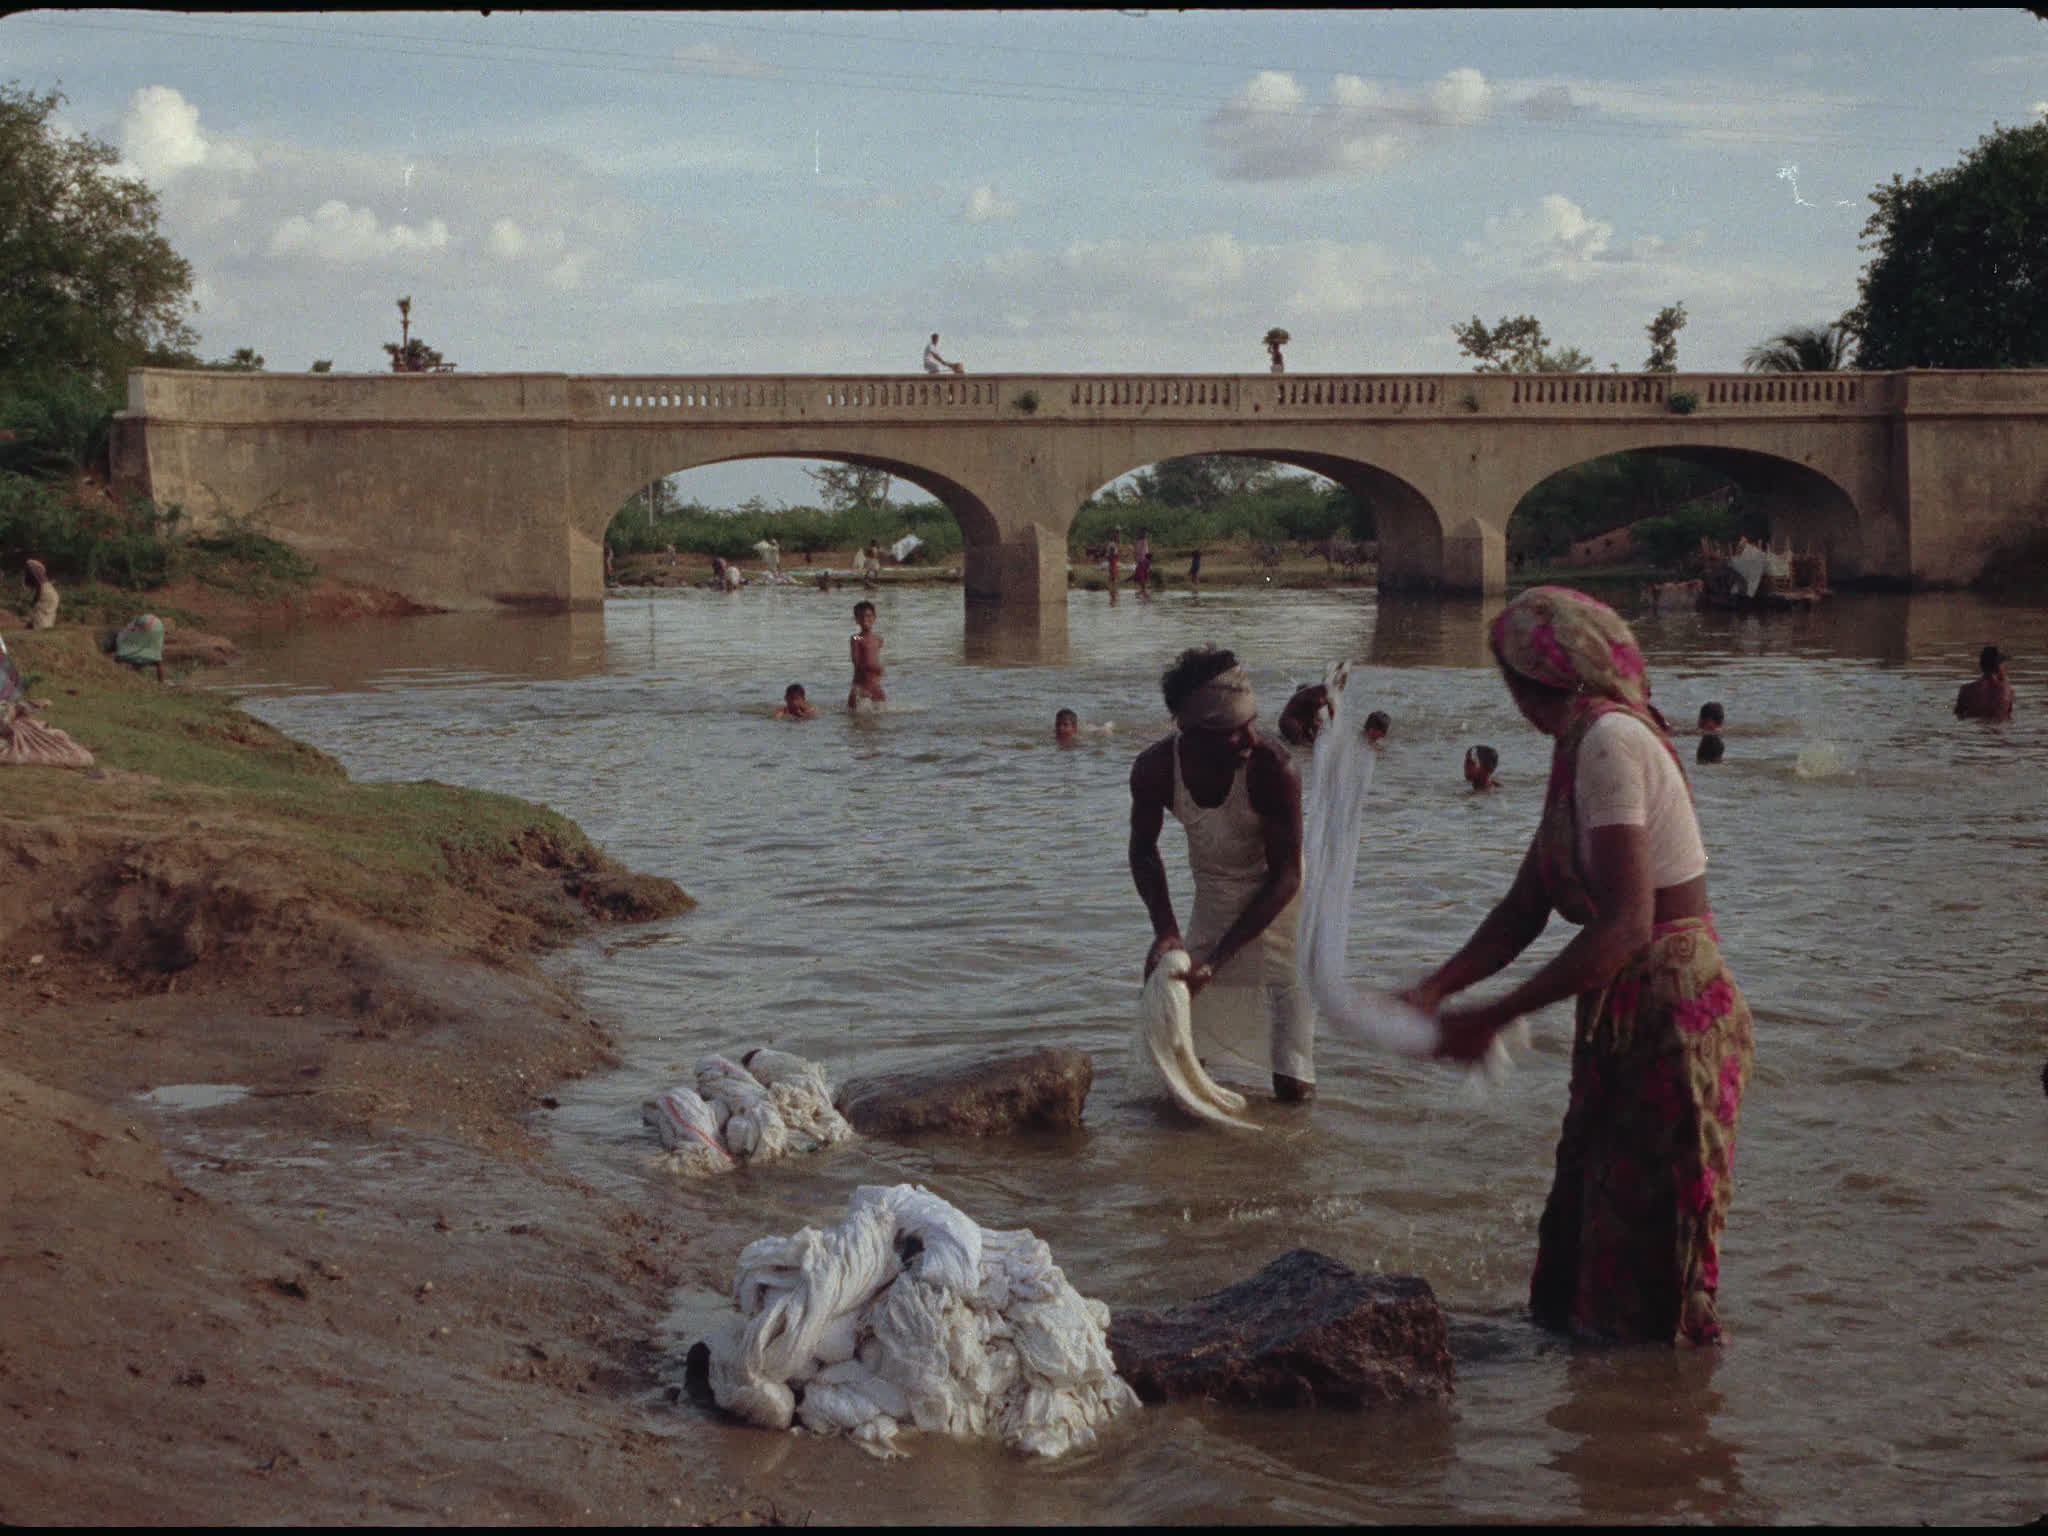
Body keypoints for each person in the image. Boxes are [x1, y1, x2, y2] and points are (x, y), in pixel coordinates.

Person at [1402, 585, 1753, 1347]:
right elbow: (1526, 906)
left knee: (1660, 1247)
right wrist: (1436, 989)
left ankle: (1660, 1428)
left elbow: (1626, 925)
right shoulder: (1578, 746)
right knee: (1593, 1226)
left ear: (1527, 685)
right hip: (1627, 1006)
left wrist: (1492, 1015)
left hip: (1673, 1011)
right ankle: (1606, 1424)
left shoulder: (1608, 744)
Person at [1129, 646, 1315, 1103]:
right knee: (1182, 1044)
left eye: (1253, 723)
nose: (1251, 738)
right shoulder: (1155, 769)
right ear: (1194, 732)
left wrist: (1217, 959)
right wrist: (1166, 931)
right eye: (1236, 731)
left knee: (1291, 1080)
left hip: (1280, 911)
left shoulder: (1275, 770)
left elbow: (1286, 877)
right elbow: (1143, 849)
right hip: (1214, 899)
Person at [1955, 645, 2014, 722]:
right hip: (1999, 729)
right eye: (2004, 664)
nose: (2005, 668)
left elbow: (1959, 716)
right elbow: (2008, 717)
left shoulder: (1965, 690)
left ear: (1981, 665)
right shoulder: (2008, 691)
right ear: (1999, 666)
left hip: (1973, 729)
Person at [848, 599, 885, 708]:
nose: (865, 619)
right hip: (861, 685)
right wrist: (869, 667)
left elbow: (875, 658)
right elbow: (855, 660)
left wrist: (878, 668)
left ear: (874, 618)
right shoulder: (856, 638)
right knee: (855, 717)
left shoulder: (878, 639)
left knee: (880, 718)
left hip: (875, 685)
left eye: (868, 616)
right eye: (861, 617)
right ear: (856, 620)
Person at [1278, 683, 1329, 747]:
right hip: (1292, 724)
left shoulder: (1304, 705)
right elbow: (1314, 724)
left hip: (1292, 723)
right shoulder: (1308, 704)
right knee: (1299, 742)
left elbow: (1314, 725)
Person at [24, 559, 58, 630]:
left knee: (39, 610)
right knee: (40, 612)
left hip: (47, 595)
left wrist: (35, 600)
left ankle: (40, 627)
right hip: (52, 594)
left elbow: (40, 589)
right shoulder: (43, 581)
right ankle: (39, 626)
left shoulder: (40, 583)